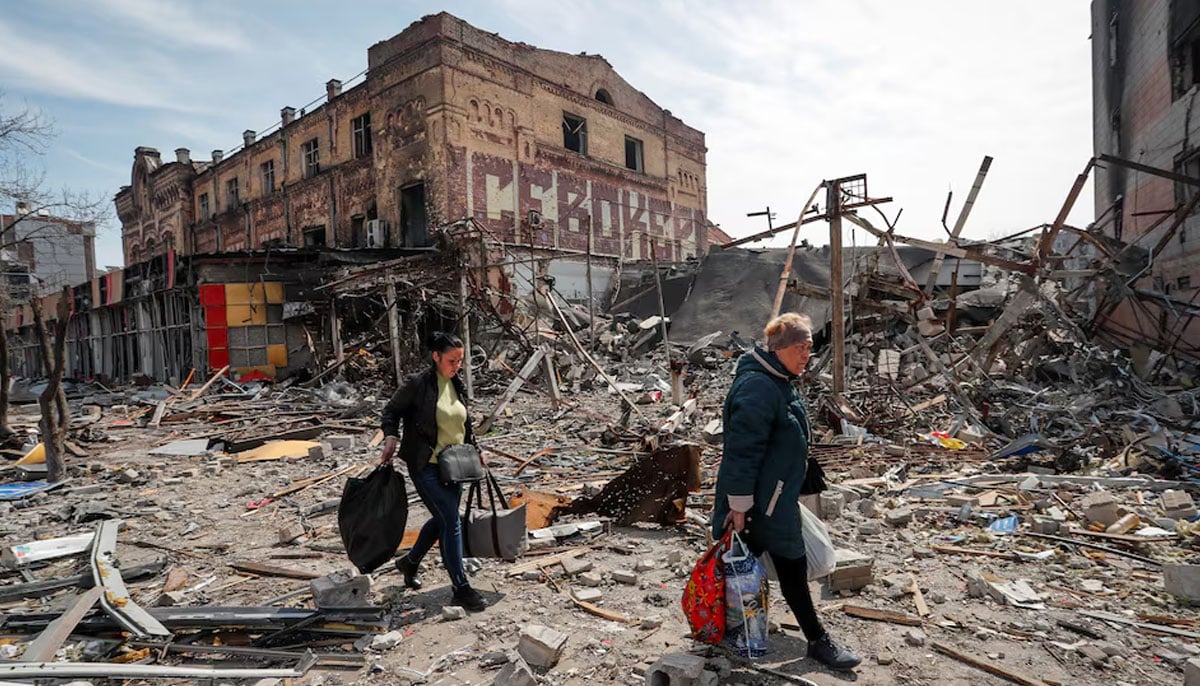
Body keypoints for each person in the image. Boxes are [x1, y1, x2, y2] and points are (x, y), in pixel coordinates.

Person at [712, 313, 861, 669]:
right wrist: (739, 506)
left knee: (743, 566)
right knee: (786, 564)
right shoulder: (758, 387)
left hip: (773, 497)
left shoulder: (778, 381)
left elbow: (782, 437)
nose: (806, 354)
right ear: (779, 349)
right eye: (800, 347)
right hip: (760, 503)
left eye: (810, 347)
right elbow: (742, 452)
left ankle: (733, 629)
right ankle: (815, 639)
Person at [379, 331, 486, 612]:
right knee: (451, 520)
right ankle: (461, 588)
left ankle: (409, 562)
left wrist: (477, 448)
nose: (457, 366)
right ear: (436, 357)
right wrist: (391, 436)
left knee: (443, 519)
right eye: (452, 361)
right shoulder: (419, 384)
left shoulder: (457, 384)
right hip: (425, 465)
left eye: (460, 361)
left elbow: (465, 424)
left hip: (456, 466)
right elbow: (391, 411)